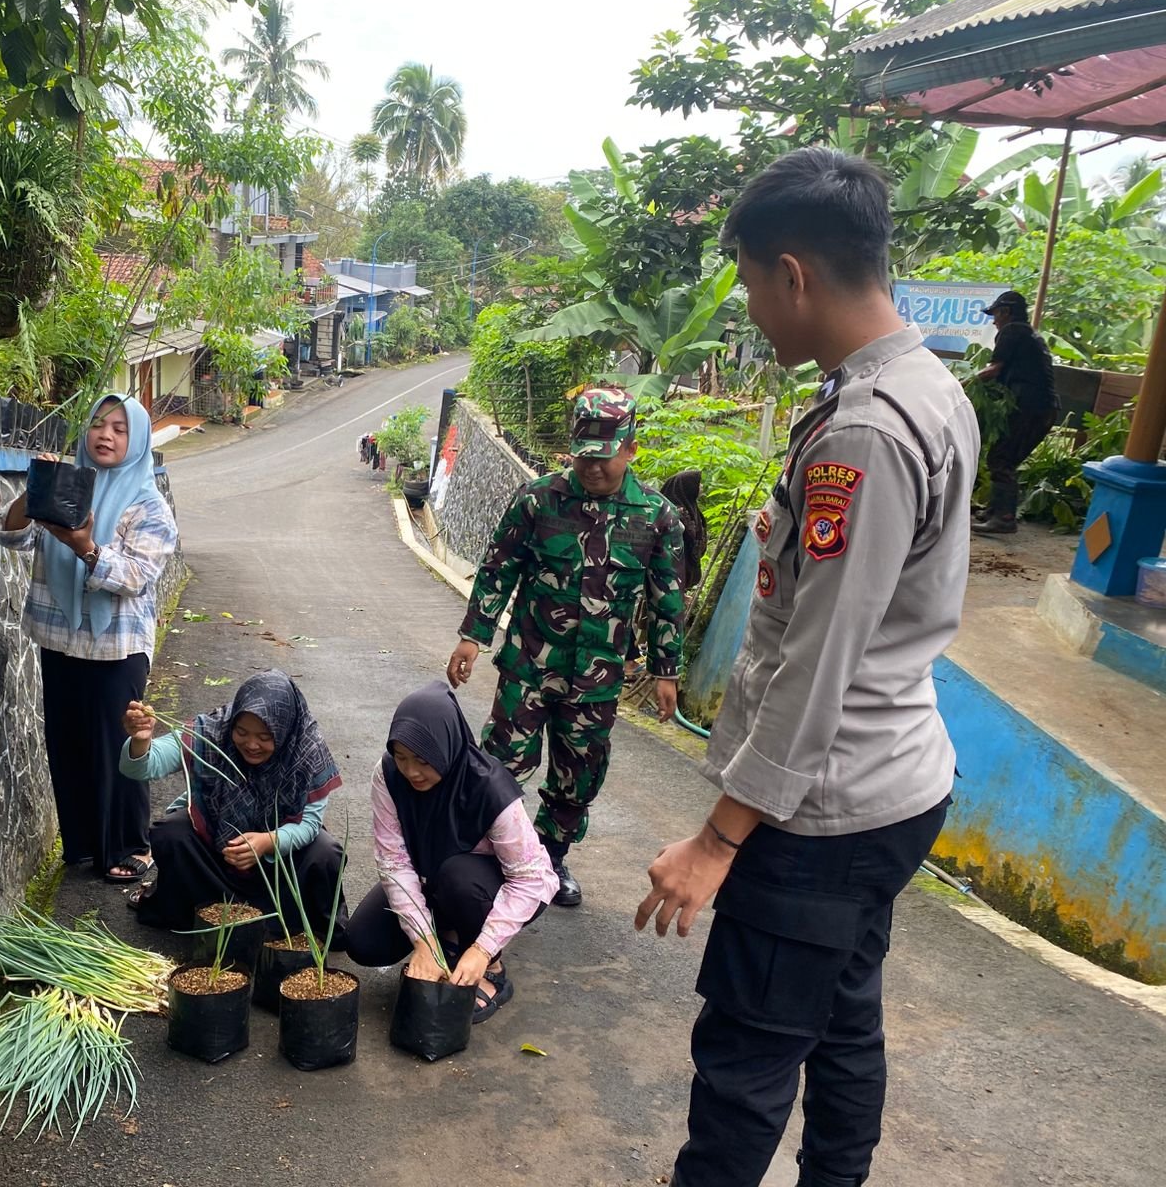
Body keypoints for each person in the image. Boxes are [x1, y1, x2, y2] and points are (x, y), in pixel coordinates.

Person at [634, 148, 978, 1187]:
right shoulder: (924, 384)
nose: (747, 308)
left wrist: (717, 838)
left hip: (819, 815)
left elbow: (818, 664)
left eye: (745, 282)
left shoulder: (863, 435)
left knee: (743, 1058)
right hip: (895, 785)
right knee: (839, 1022)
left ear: (792, 274)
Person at [446, 386, 685, 908]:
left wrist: (667, 672)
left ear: (631, 449)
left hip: (597, 679)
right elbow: (498, 570)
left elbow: (668, 601)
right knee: (503, 762)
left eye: (603, 458)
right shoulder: (537, 501)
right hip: (530, 666)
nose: (591, 468)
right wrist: (473, 635)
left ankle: (551, 858)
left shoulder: (657, 519)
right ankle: (491, 856)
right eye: (582, 457)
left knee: (578, 774)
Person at [0, 395, 178, 883]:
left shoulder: (148, 504)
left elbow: (137, 575)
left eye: (120, 429)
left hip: (116, 647)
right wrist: (34, 492)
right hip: (59, 638)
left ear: (136, 440)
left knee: (116, 748)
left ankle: (131, 845)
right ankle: (80, 845)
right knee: (68, 745)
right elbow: (10, 537)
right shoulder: (67, 485)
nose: (106, 435)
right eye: (98, 424)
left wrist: (87, 549)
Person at [343, 683, 558, 1023]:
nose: (411, 771)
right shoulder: (388, 776)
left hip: (486, 886)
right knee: (363, 942)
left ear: (446, 747)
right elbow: (394, 862)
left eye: (423, 761)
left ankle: (493, 969)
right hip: (429, 880)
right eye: (401, 758)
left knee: (458, 876)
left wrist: (482, 949)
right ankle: (444, 939)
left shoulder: (488, 788)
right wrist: (423, 941)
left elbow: (532, 879)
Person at [118, 671, 345, 933]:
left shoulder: (306, 749)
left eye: (265, 737)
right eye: (242, 731)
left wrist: (267, 842)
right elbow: (141, 768)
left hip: (279, 864)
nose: (251, 744)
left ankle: (301, 925)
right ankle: (191, 913)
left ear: (284, 730)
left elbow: (310, 824)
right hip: (218, 851)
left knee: (326, 852)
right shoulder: (214, 731)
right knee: (171, 833)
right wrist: (141, 740)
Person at [970, 289, 1059, 535]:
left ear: (1007, 312)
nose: (994, 320)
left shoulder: (1012, 331)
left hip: (1031, 408)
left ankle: (1005, 518)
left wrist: (961, 385)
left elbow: (994, 369)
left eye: (996, 314)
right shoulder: (1029, 334)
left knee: (1001, 458)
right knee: (1005, 456)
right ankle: (996, 509)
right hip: (1043, 408)